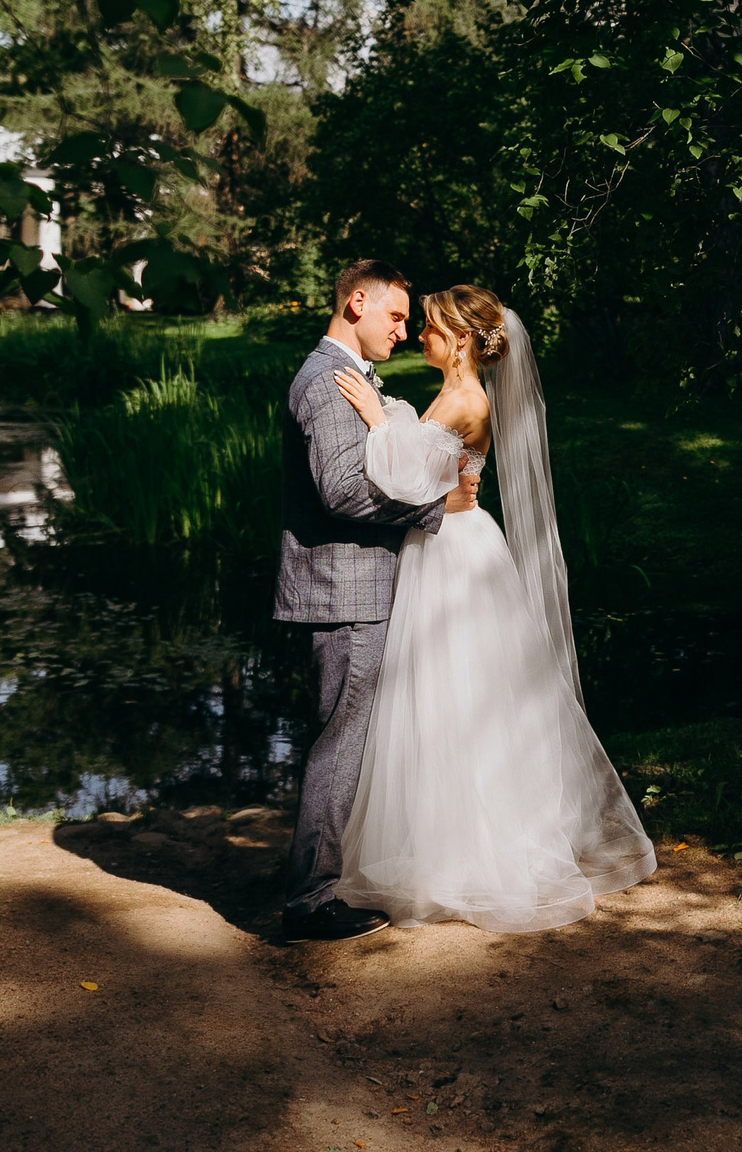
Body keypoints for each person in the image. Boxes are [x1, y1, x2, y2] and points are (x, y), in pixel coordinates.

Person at [326, 286, 655, 932]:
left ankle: (471, 854)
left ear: (461, 338)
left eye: (429, 328)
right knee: (444, 696)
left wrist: (375, 418)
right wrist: (395, 421)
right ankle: (444, 838)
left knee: (457, 693)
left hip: (454, 555)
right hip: (447, 543)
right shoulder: (454, 395)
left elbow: (402, 480)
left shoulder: (465, 399)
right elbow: (429, 472)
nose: (420, 336)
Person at [273, 260, 478, 943]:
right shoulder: (327, 382)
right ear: (356, 302)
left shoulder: (348, 376)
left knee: (347, 739)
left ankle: (315, 875)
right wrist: (433, 507)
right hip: (346, 588)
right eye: (395, 315)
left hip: (355, 583)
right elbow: (341, 492)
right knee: (341, 743)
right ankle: (309, 901)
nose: (403, 329)